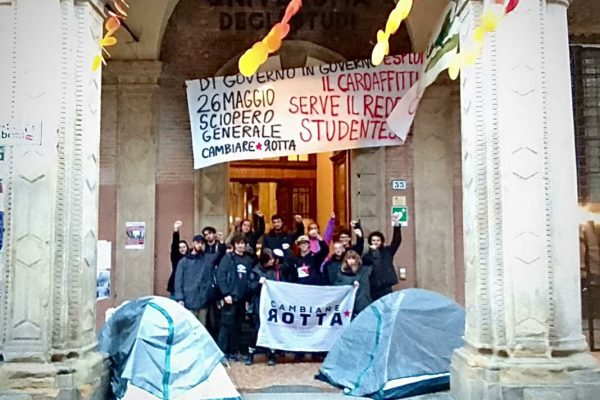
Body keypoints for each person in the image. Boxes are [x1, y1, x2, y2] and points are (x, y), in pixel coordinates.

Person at [216, 233, 255, 361]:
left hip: (242, 299)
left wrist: (248, 298)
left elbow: (249, 280)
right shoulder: (228, 258)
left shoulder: (248, 260)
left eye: (243, 244)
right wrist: (226, 293)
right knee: (226, 326)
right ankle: (221, 353)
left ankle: (234, 351)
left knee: (237, 326)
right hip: (229, 298)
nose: (241, 246)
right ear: (234, 245)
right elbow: (221, 276)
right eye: (238, 244)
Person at [174, 234, 217, 326]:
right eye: (198, 243)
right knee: (189, 328)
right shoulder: (183, 261)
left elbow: (219, 254)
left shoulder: (207, 259)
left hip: (202, 300)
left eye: (202, 243)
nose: (200, 245)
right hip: (188, 299)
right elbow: (178, 281)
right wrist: (180, 298)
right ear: (193, 243)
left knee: (202, 328)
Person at [245, 249, 278, 366]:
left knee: (271, 329)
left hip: (270, 306)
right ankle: (250, 354)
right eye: (271, 259)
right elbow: (249, 288)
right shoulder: (255, 271)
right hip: (258, 304)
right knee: (256, 330)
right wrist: (258, 283)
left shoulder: (273, 272)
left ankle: (272, 353)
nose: (273, 261)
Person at [362, 215, 402, 301]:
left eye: (378, 240)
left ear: (381, 241)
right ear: (370, 242)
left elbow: (396, 240)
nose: (375, 242)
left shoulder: (387, 251)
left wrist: (397, 225)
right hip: (373, 287)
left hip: (386, 286)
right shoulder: (366, 256)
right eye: (373, 240)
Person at [332, 250, 373, 317]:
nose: (351, 261)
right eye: (349, 258)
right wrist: (350, 284)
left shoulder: (364, 270)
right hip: (348, 304)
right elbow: (337, 286)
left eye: (353, 258)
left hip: (362, 302)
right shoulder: (341, 272)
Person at [167, 220, 188, 297]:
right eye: (180, 247)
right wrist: (176, 230)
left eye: (184, 247)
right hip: (175, 286)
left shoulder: (190, 257)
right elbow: (174, 245)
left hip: (187, 287)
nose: (182, 249)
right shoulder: (175, 257)